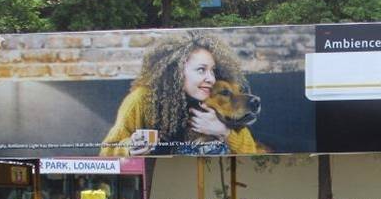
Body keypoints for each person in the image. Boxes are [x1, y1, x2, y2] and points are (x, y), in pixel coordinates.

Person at [101, 34, 262, 157]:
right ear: (176, 72)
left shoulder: (211, 102)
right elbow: (107, 150)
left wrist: (223, 131)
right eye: (201, 70)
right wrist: (130, 147)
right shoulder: (141, 99)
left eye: (212, 70)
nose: (211, 78)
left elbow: (250, 152)